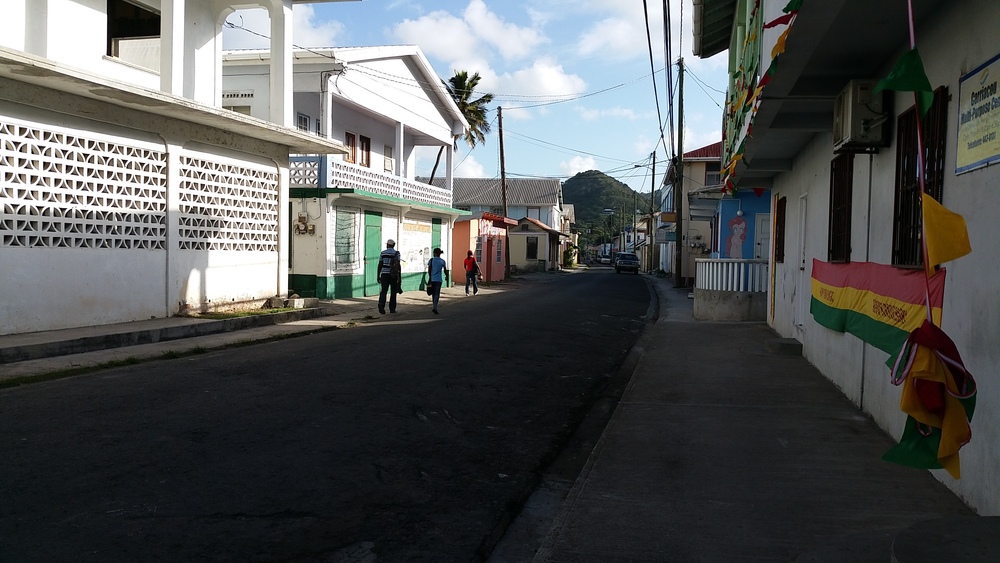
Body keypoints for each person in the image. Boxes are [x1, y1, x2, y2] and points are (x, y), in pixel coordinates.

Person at [377, 239, 401, 314]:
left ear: (387, 245)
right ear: (393, 245)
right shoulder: (396, 253)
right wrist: (399, 276)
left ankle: (381, 305)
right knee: (393, 292)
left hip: (384, 274)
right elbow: (398, 265)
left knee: (384, 291)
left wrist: (378, 275)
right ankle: (392, 309)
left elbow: (380, 264)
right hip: (393, 275)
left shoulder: (383, 253)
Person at [426, 247, 449, 314]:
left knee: (433, 293)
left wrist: (430, 276)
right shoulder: (442, 261)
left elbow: (429, 270)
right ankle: (435, 307)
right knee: (437, 293)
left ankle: (434, 306)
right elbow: (445, 271)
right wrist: (446, 277)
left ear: (435, 253)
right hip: (439, 280)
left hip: (432, 279)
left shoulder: (431, 260)